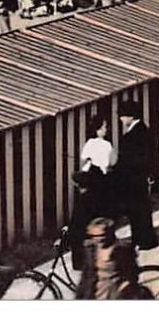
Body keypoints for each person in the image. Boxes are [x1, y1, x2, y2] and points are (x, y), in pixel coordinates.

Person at [69, 113, 118, 266]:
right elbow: (112, 162)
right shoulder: (107, 145)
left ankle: (80, 258)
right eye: (103, 127)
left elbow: (84, 158)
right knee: (101, 220)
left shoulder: (89, 143)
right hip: (101, 184)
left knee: (83, 222)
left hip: (89, 182)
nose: (106, 129)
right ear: (97, 129)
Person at [111, 105, 159, 251]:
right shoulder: (145, 131)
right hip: (141, 177)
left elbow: (128, 160)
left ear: (131, 116)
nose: (121, 119)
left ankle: (141, 240)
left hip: (132, 178)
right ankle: (145, 239)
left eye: (122, 116)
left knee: (136, 210)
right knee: (142, 209)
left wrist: (116, 171)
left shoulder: (131, 136)